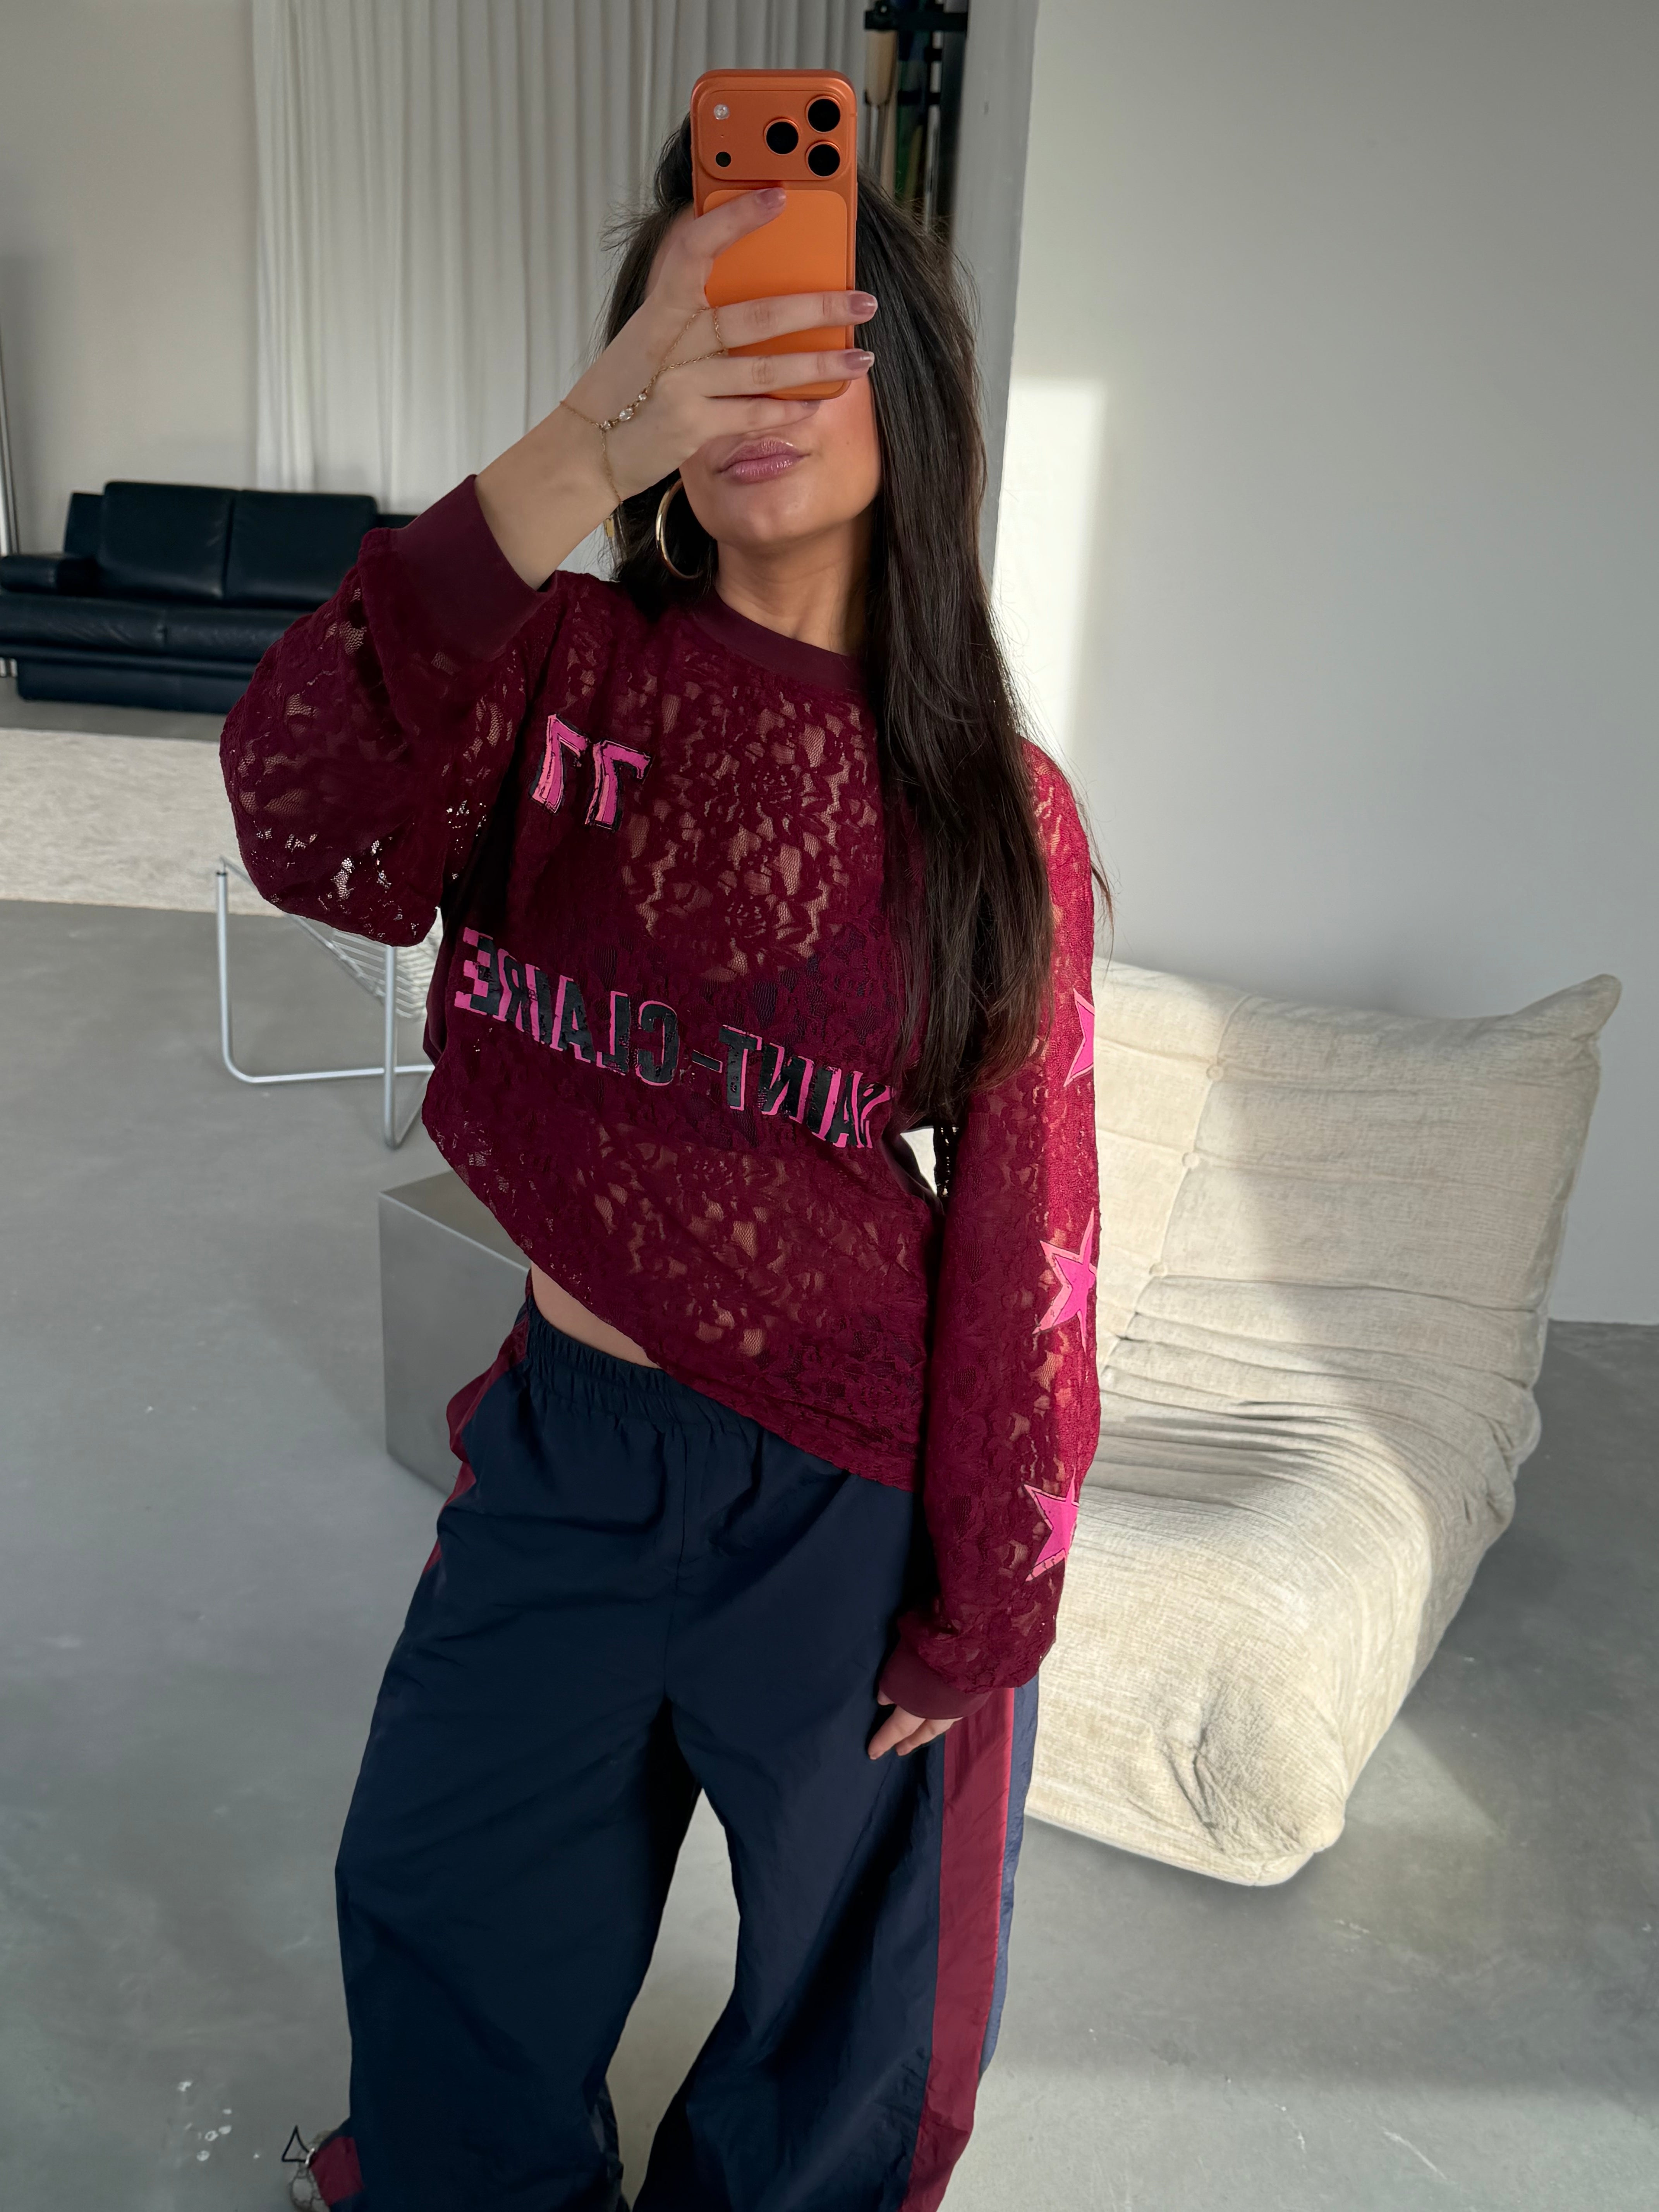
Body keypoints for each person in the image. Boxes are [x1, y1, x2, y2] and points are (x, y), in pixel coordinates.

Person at [228, 118, 1105, 2212]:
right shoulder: (552, 667)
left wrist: (985, 1608)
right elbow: (301, 818)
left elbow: (1029, 1236)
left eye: (808, 332)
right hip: (568, 1445)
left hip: (846, 1498)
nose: (755, 388)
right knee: (445, 1897)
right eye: (701, 342)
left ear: (913, 390)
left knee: (847, 2015)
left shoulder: (996, 807)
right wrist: (570, 454)